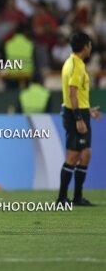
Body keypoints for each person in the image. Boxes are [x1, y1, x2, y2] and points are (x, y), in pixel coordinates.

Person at [57, 32, 102, 206]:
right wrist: (78, 118)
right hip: (74, 114)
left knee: (85, 155)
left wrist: (87, 110)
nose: (91, 47)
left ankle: (76, 198)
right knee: (74, 155)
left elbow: (76, 95)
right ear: (85, 47)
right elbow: (72, 93)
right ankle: (62, 198)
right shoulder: (76, 66)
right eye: (89, 44)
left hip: (79, 111)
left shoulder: (72, 63)